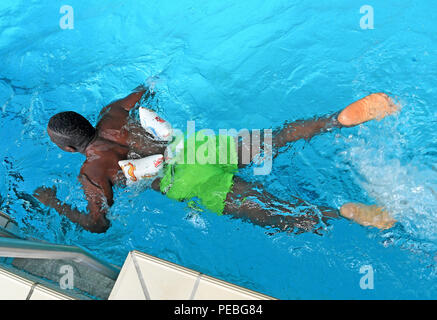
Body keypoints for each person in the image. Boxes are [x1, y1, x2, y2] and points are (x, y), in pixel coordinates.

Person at [33, 85, 399, 234]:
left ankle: (346, 213)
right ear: (85, 119)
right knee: (279, 137)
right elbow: (145, 90)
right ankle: (338, 119)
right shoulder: (113, 112)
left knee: (282, 215)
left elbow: (99, 224)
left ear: (68, 148)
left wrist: (55, 204)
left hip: (192, 182)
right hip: (201, 147)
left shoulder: (92, 173)